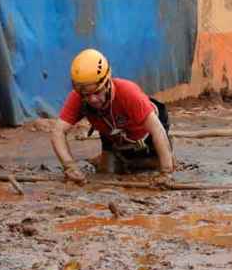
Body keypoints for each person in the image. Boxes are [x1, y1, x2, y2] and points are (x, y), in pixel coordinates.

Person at [50, 48, 175, 184]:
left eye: (97, 92)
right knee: (106, 174)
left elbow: (157, 130)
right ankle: (110, 159)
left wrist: (166, 173)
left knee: (150, 168)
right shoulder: (77, 97)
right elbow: (57, 132)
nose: (92, 100)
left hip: (146, 134)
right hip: (112, 134)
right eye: (86, 95)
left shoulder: (128, 93)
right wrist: (69, 166)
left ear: (108, 82)